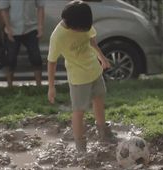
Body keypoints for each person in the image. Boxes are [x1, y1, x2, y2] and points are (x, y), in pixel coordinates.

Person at [46, 0, 111, 153]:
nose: (83, 31)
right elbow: (51, 62)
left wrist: (102, 58)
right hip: (78, 79)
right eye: (80, 29)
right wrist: (51, 86)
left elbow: (91, 41)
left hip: (95, 71)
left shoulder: (83, 21)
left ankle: (104, 134)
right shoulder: (58, 37)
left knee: (99, 101)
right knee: (79, 111)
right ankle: (81, 147)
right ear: (70, 24)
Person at [0, 0, 45, 87]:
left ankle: (39, 85)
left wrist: (40, 26)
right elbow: (3, 9)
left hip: (31, 28)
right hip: (13, 29)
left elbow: (40, 8)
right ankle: (9, 85)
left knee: (36, 56)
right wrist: (8, 27)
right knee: (11, 57)